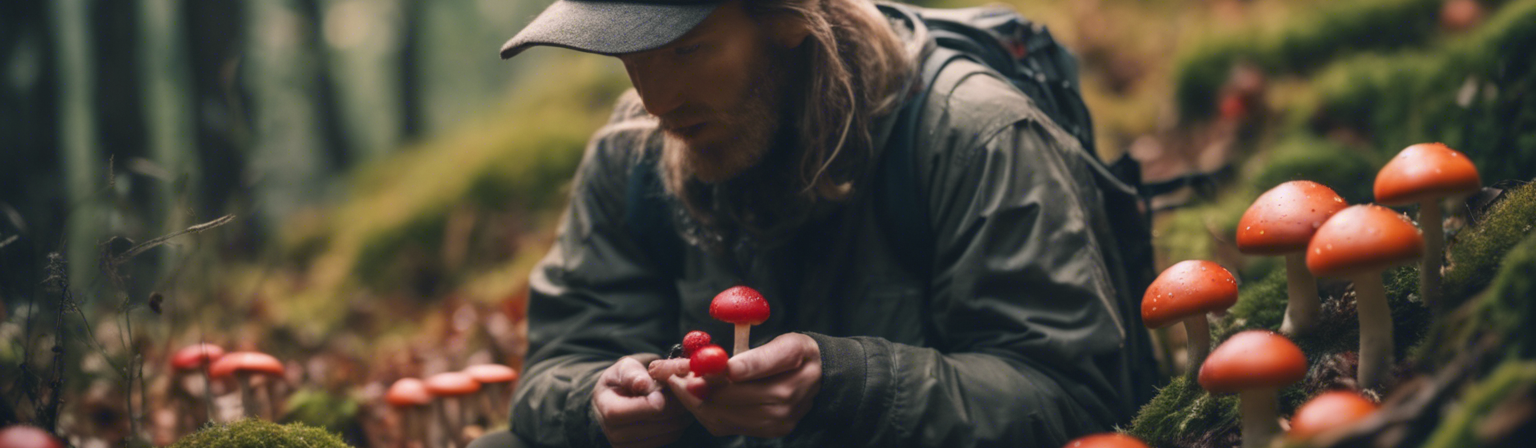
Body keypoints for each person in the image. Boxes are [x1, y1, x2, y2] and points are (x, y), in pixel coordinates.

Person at [478, 0, 1157, 446]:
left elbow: (1078, 399)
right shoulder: (631, 155)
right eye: (628, 52)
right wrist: (597, 406)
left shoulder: (972, 137)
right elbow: (551, 374)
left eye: (686, 50)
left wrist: (848, 382)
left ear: (788, 19)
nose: (657, 101)